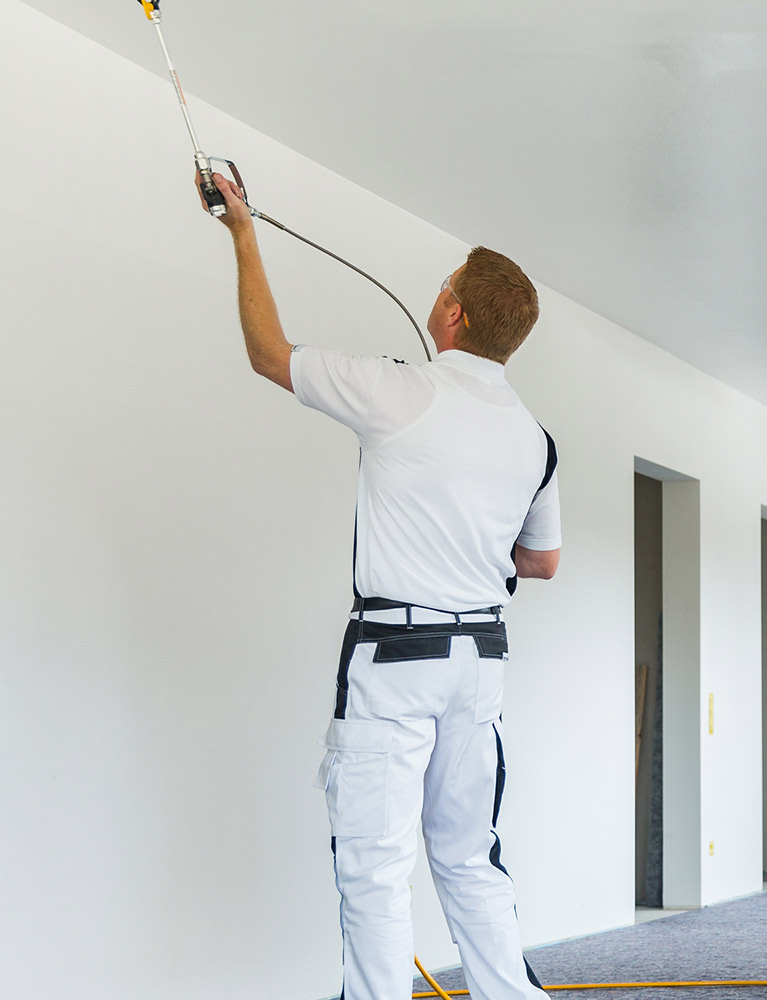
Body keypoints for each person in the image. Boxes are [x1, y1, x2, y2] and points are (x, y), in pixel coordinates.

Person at [205, 172, 562, 1000]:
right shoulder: (535, 440)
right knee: (469, 859)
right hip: (480, 667)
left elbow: (269, 354)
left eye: (444, 287)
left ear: (455, 315)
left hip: (397, 661)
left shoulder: (400, 391)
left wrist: (244, 233)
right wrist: (473, 541)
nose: (436, 295)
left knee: (374, 872)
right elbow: (540, 562)